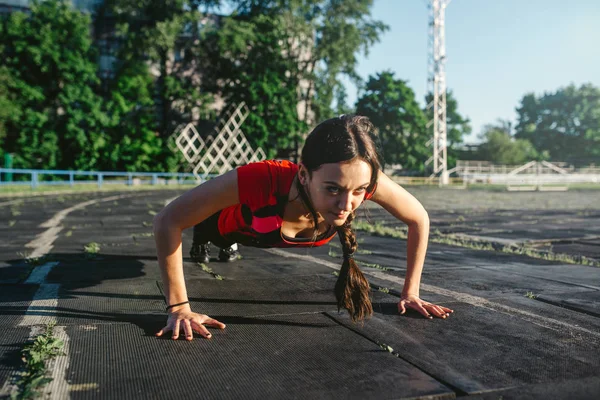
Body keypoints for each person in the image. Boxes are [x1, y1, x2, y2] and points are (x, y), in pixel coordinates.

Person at [153, 115, 454, 341]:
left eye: (360, 190)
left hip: (264, 231)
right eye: (333, 189)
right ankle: (209, 241)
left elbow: (419, 219)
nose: (347, 204)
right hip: (225, 228)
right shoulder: (264, 178)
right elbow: (168, 220)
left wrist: (410, 292)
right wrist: (178, 307)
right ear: (304, 174)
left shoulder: (364, 181)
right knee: (209, 234)